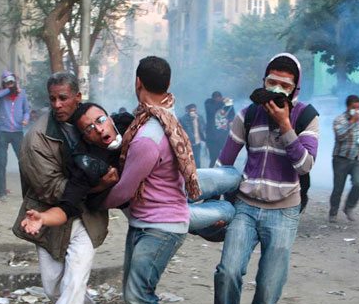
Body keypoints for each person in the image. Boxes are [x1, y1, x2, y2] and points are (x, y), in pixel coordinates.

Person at [200, 53, 319, 304]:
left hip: (285, 211)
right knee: (227, 272)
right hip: (246, 206)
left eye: (285, 86)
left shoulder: (307, 117)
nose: (277, 90)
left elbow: (305, 166)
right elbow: (224, 162)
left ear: (295, 89)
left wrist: (285, 125)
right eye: (271, 82)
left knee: (270, 282)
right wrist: (215, 204)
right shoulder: (248, 114)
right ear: (263, 82)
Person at [102, 56, 199, 304]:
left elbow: (125, 190)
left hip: (162, 226)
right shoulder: (163, 117)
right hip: (146, 221)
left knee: (137, 294)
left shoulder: (148, 136)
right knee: (137, 296)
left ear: (138, 82)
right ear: (166, 85)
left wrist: (93, 202)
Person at [21, 102, 240, 243]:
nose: (99, 129)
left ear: (109, 117)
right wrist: (43, 218)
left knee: (232, 177)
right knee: (223, 212)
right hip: (151, 206)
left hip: (171, 180)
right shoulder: (87, 164)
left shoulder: (129, 123)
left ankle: (235, 208)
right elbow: (66, 207)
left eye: (100, 120)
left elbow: (158, 110)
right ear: (85, 137)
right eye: (89, 129)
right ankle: (234, 218)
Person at [12, 72, 107, 304]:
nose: (57, 104)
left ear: (77, 96)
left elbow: (115, 148)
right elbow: (53, 190)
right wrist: (101, 184)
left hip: (86, 217)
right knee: (54, 287)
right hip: (48, 216)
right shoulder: (36, 139)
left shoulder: (93, 120)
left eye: (63, 97)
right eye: (52, 98)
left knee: (74, 283)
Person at [329, 95, 359, 222]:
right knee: (338, 188)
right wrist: (351, 122)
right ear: (348, 107)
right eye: (354, 108)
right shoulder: (339, 120)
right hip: (341, 158)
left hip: (358, 157)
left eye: (358, 108)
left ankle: (349, 207)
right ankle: (333, 211)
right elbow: (340, 136)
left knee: (358, 184)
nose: (357, 111)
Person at [0, 71, 31, 201]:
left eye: (11, 82)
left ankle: (27, 191)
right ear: (4, 83)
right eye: (7, 82)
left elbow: (26, 110)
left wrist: (26, 119)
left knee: (23, 162)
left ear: (15, 82)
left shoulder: (22, 94)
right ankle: (2, 193)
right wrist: (9, 89)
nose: (9, 84)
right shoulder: (0, 93)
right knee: (2, 163)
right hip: (3, 132)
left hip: (17, 132)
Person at [205, 91, 235, 167]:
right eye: (216, 98)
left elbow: (232, 114)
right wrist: (223, 102)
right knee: (214, 157)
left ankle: (225, 171)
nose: (217, 99)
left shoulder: (226, 104)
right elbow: (211, 110)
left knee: (226, 156)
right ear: (213, 98)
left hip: (223, 135)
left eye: (219, 98)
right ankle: (211, 171)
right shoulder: (208, 103)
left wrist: (229, 103)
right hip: (212, 137)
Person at [179, 103, 206, 168]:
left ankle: (198, 171)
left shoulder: (199, 117)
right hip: (188, 142)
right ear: (187, 111)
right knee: (189, 159)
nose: (193, 112)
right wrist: (192, 119)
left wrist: (197, 120)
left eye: (194, 110)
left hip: (198, 142)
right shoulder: (183, 119)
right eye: (191, 110)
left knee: (197, 159)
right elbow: (185, 129)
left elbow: (203, 127)